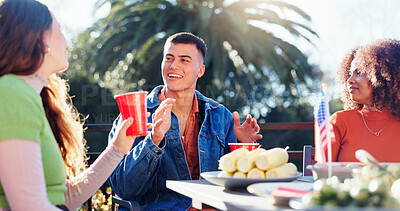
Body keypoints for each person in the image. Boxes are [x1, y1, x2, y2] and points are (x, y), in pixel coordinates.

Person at [0, 0, 150, 210]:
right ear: (41, 39)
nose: (66, 42)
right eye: (59, 30)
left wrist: (117, 150)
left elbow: (65, 198)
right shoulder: (12, 92)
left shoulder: (27, 95)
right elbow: (29, 206)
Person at [108, 32, 263, 210]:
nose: (174, 66)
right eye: (169, 58)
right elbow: (123, 188)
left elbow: (235, 182)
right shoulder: (135, 114)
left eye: (184, 60)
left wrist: (244, 147)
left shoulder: (221, 115)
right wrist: (154, 139)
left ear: (200, 70)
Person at [328, 38, 400, 162]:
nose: (349, 80)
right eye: (349, 73)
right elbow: (323, 172)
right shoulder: (339, 122)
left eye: (359, 72)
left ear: (383, 75)